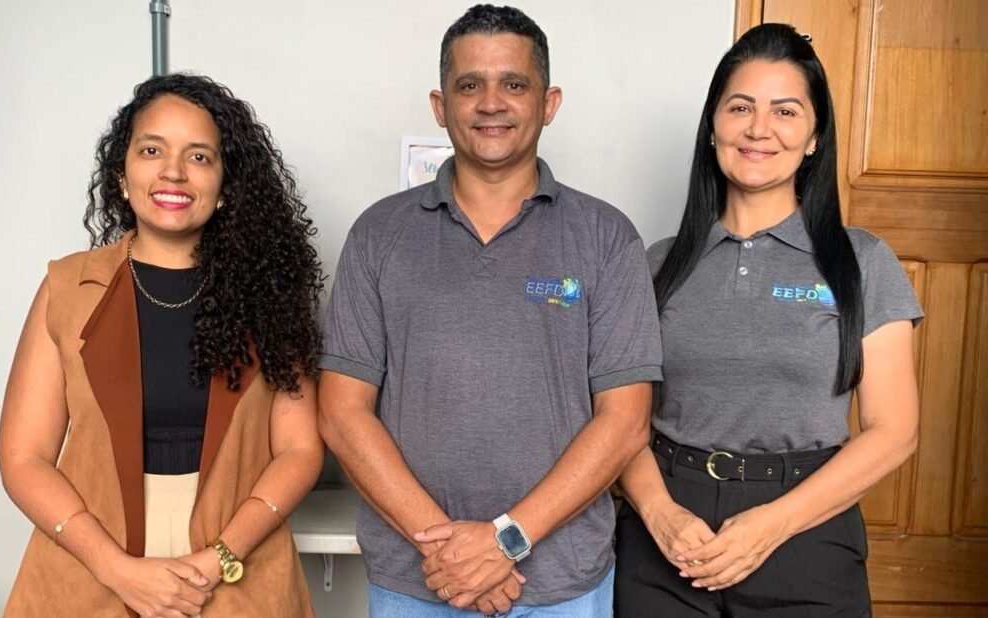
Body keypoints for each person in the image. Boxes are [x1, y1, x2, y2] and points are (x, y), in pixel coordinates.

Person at [318, 4, 662, 617]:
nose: (491, 103)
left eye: (514, 84)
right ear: (440, 104)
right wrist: (451, 553)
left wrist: (507, 539)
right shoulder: (379, 234)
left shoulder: (607, 237)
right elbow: (343, 413)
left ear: (549, 103)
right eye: (470, 85)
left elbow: (625, 423)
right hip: (415, 582)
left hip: (560, 587)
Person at [614, 24, 923, 617]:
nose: (759, 129)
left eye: (785, 111)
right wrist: (660, 513)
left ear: (814, 137)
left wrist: (771, 525)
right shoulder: (655, 264)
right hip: (667, 535)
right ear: (712, 128)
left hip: (807, 528)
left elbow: (894, 431)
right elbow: (618, 418)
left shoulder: (862, 261)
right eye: (740, 108)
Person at [0, 73, 325, 617]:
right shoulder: (67, 288)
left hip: (235, 567)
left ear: (226, 185)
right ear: (122, 173)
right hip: (90, 568)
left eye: (199, 156)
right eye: (152, 150)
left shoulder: (269, 294)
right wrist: (115, 568)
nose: (173, 171)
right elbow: (23, 458)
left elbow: (299, 450)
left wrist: (219, 558)